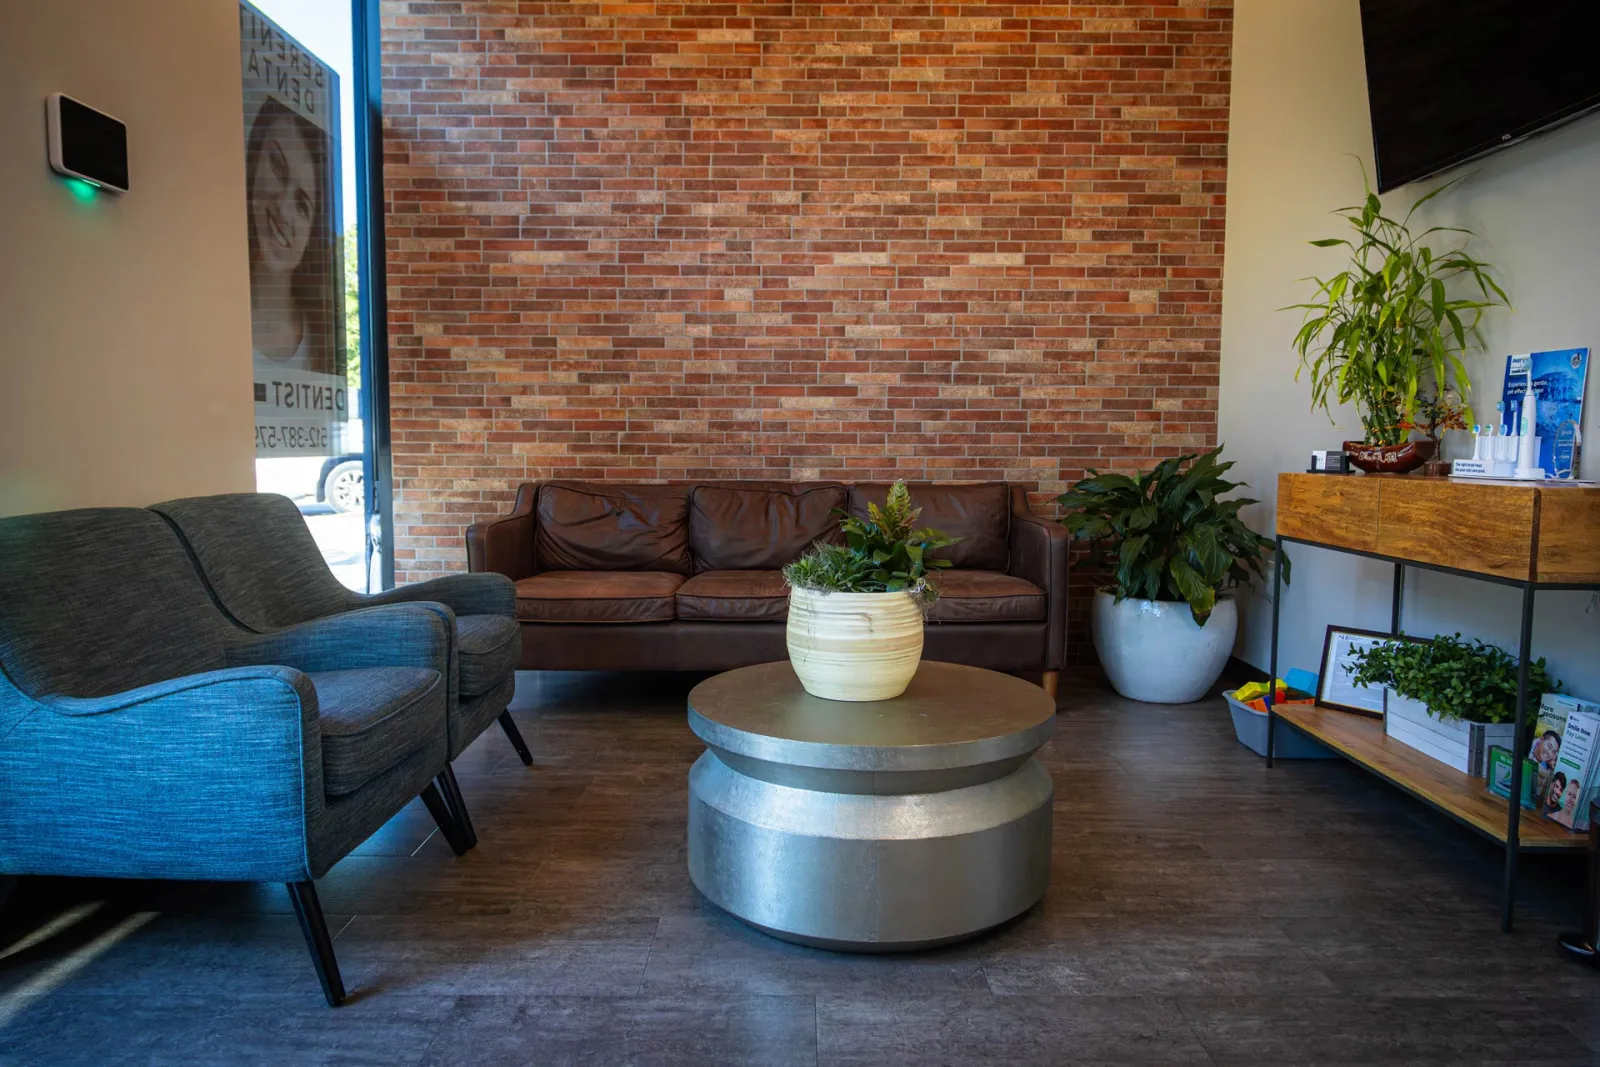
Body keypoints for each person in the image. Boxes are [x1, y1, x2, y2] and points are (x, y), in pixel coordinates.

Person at [245, 97, 340, 377]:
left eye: (302, 205)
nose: (283, 209)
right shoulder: (209, 312)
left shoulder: (322, 348)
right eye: (277, 166)